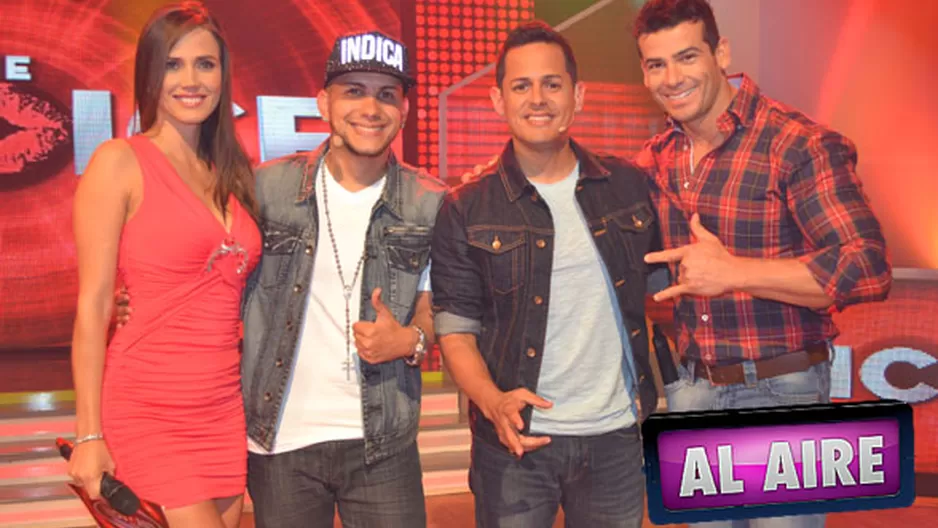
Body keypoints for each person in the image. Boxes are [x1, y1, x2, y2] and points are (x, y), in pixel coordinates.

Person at [632, 1, 892, 527]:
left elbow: (866, 265)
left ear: (721, 53)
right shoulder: (656, 158)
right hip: (692, 392)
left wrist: (734, 272)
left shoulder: (797, 144)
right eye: (656, 64)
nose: (672, 78)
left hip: (782, 389)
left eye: (687, 57)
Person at [431, 21, 660, 528]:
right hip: (515, 440)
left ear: (577, 96)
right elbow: (455, 331)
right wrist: (492, 403)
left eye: (552, 84)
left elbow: (663, 290)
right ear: (498, 100)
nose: (538, 99)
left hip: (615, 438)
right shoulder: (466, 206)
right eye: (521, 86)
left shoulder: (627, 185)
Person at [239, 31, 445, 527]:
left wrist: (410, 341)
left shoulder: (430, 202)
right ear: (323, 102)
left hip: (383, 441)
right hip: (281, 440)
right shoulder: (266, 187)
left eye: (386, 94)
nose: (370, 108)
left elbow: (436, 308)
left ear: (404, 110)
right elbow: (215, 275)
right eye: (354, 90)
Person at [68, 3, 260, 527]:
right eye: (173, 65)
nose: (191, 80)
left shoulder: (231, 172)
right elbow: (93, 307)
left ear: (223, 74)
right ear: (150, 74)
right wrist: (89, 434)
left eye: (205, 64)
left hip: (222, 408)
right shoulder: (118, 161)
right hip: (148, 406)